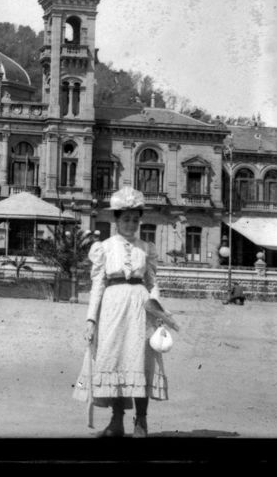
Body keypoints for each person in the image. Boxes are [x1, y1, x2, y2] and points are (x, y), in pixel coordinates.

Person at [73, 186, 168, 437]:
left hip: (140, 309)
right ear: (116, 220)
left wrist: (158, 312)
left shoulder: (146, 248)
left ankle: (142, 421)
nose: (131, 224)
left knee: (140, 361)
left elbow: (152, 283)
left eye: (135, 219)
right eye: (125, 219)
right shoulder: (104, 247)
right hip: (112, 310)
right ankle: (116, 421)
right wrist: (91, 319)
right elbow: (98, 284)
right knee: (114, 359)